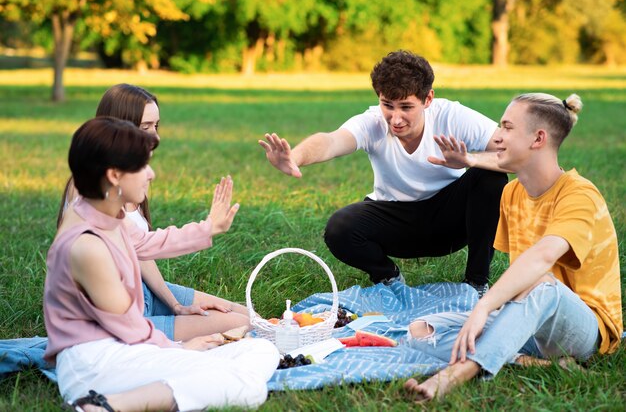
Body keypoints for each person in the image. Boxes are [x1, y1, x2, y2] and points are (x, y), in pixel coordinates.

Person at [46, 116, 279, 411]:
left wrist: (209, 228)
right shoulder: (87, 246)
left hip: (124, 351)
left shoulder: (102, 214)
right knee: (250, 388)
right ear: (115, 175)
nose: (151, 174)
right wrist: (178, 348)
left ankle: (161, 391)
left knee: (260, 349)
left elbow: (148, 243)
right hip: (96, 364)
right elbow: (130, 327)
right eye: (142, 166)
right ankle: (106, 406)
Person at [403, 93, 622, 401]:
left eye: (506, 127)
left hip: (584, 329)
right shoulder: (511, 193)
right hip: (530, 322)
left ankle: (458, 373)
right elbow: (519, 275)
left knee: (542, 284)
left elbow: (542, 256)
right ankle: (532, 362)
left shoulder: (580, 195)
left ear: (538, 138)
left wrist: (485, 305)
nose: (497, 136)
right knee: (420, 331)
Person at [259, 50, 508, 294]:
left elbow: (510, 154)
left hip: (451, 220)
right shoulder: (373, 122)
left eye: (406, 107)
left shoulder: (453, 116)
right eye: (387, 105)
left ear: (428, 99)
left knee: (491, 178)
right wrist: (296, 157)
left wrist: (469, 160)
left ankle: (476, 283)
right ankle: (389, 278)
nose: (395, 119)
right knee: (340, 227)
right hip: (396, 219)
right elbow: (332, 141)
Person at [57, 83, 249, 341]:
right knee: (235, 325)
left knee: (246, 316)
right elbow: (144, 244)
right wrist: (208, 227)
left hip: (142, 291)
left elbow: (141, 252)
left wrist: (174, 305)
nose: (155, 137)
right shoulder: (93, 190)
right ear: (119, 126)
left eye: (156, 126)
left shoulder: (132, 178)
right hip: (116, 315)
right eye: (145, 127)